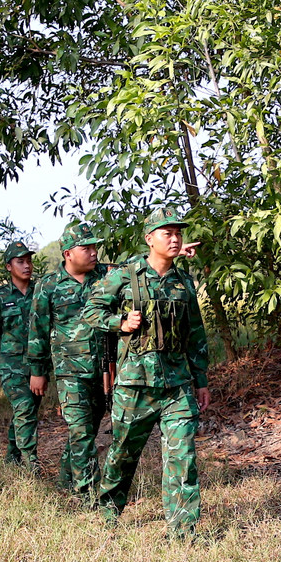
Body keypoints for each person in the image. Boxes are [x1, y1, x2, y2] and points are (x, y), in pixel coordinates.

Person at [84, 210, 211, 540]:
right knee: (123, 455)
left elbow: (195, 332)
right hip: (135, 386)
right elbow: (91, 311)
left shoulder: (183, 281)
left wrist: (201, 380)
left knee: (183, 458)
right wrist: (120, 323)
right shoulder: (125, 275)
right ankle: (108, 514)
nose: (175, 238)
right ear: (149, 239)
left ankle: (183, 532)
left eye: (178, 233)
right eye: (167, 233)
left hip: (177, 386)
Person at [25, 222, 114, 494]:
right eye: (86, 248)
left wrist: (175, 251)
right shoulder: (48, 285)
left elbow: (139, 267)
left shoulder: (107, 276)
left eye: (94, 247)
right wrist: (38, 371)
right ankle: (88, 495)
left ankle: (65, 481)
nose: (93, 252)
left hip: (102, 369)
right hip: (69, 372)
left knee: (87, 430)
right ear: (67, 254)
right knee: (81, 432)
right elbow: (38, 330)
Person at [0, 241, 42, 470]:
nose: (27, 266)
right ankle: (31, 463)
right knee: (24, 408)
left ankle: (12, 456)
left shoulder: (40, 291)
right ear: (9, 266)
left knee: (26, 412)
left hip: (36, 366)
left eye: (29, 261)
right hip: (11, 366)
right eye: (20, 262)